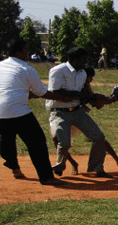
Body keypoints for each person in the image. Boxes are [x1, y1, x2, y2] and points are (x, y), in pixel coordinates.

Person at [0, 37, 73, 185]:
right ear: (20, 52)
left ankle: (13, 166)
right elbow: (42, 92)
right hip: (16, 111)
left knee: (7, 135)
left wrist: (25, 94)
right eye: (26, 49)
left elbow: (7, 89)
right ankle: (46, 177)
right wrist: (62, 98)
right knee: (37, 142)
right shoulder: (26, 68)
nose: (27, 52)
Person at [46, 47, 114, 177]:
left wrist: (99, 99)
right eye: (83, 59)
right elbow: (56, 92)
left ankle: (96, 168)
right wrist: (84, 97)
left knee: (99, 137)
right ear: (74, 59)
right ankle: (60, 165)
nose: (85, 62)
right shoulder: (58, 70)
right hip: (60, 111)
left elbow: (83, 93)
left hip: (78, 111)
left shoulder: (82, 73)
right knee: (64, 142)